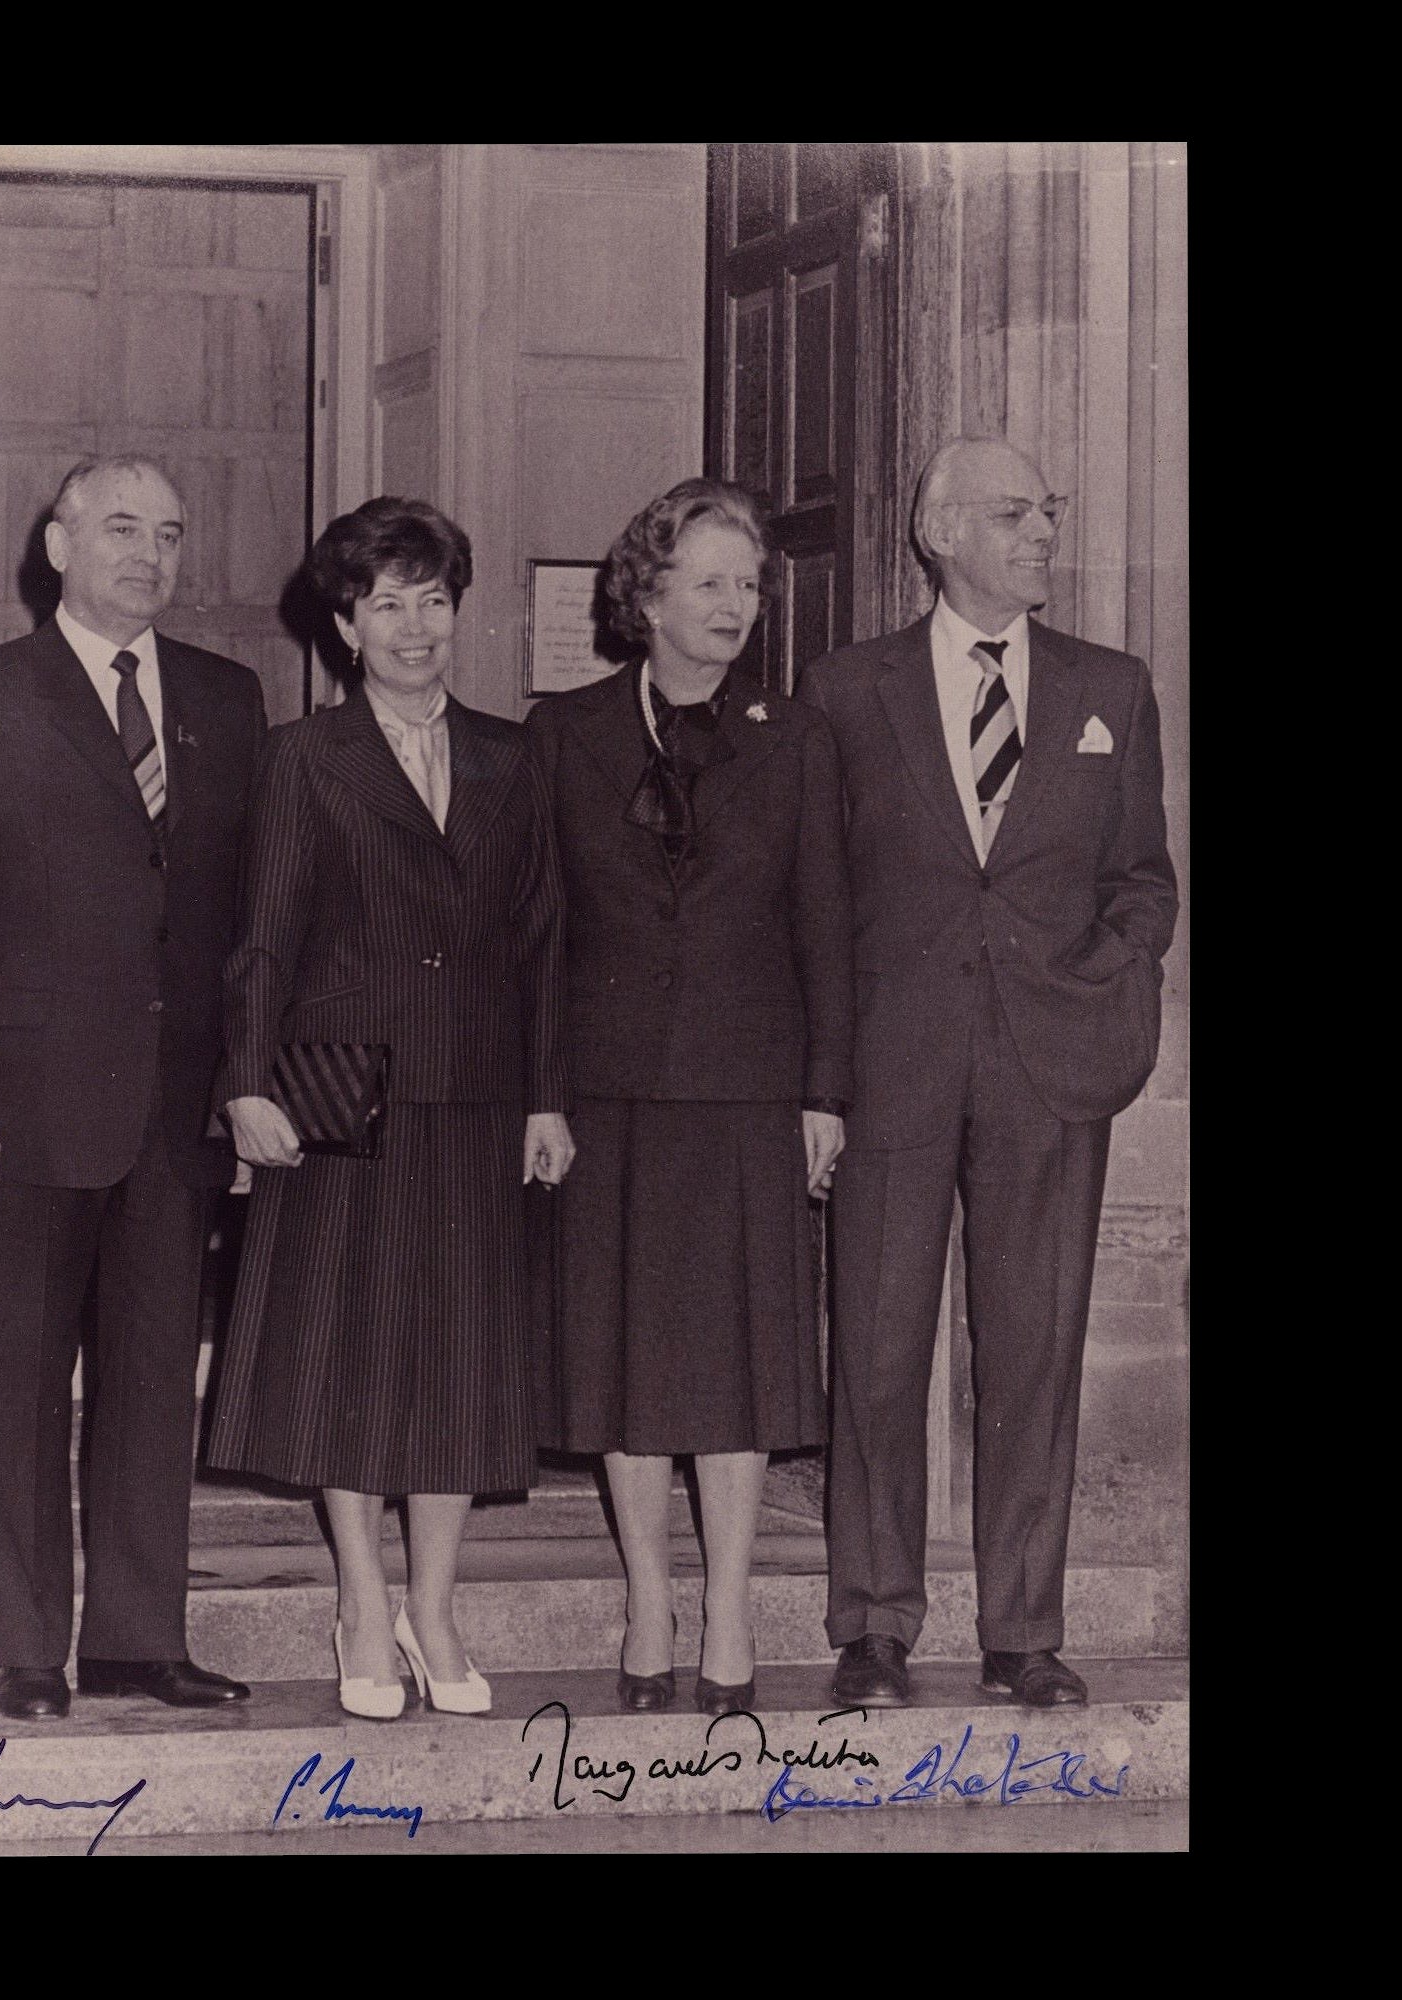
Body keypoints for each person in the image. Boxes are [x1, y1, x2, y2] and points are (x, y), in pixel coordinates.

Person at [0, 455, 267, 1720]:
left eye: (169, 532)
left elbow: (245, 922)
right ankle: (31, 1647)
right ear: (58, 545)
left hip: (174, 1107)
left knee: (155, 1382)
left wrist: (243, 1085)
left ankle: (136, 1638)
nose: (147, 554)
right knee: (19, 1381)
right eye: (119, 528)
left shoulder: (224, 697)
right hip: (23, 1111)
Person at [806, 436, 1178, 1710]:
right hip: (892, 1061)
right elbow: (816, 891)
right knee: (877, 1345)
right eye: (1015, 513)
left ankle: (1024, 1630)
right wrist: (823, 1073)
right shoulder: (845, 689)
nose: (1042, 534)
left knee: (1036, 1349)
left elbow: (1144, 878)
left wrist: (1106, 982)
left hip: (1049, 1063)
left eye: (1049, 510)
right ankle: (873, 1623)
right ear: (942, 531)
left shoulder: (1110, 685)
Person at [205, 496, 574, 1719]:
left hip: (475, 1092)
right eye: (388, 604)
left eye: (434, 600)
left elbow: (544, 941)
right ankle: (363, 1602)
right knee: (350, 1351)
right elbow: (263, 937)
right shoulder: (303, 757)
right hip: (343, 1091)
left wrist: (547, 1098)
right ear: (346, 626)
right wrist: (246, 1083)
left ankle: (436, 1604)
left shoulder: (514, 756)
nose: (416, 626)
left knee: (463, 1352)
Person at [527, 478, 854, 1715]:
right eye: (708, 581)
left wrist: (825, 1092)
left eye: (749, 584)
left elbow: (824, 923)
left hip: (746, 1087)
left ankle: (727, 1604)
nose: (735, 604)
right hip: (607, 1088)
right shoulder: (565, 731)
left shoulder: (795, 735)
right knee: (623, 1354)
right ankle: (649, 1599)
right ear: (647, 596)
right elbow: (539, 933)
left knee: (737, 1358)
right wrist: (543, 1092)